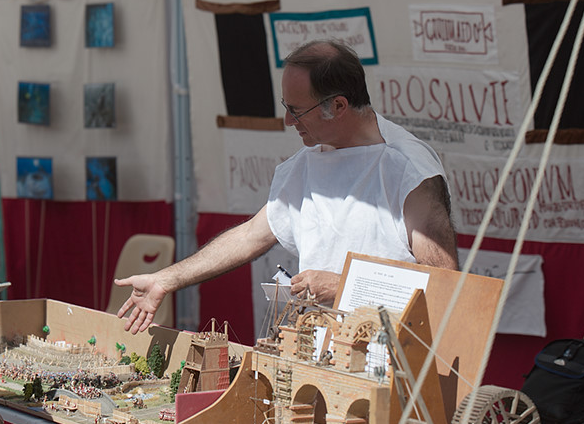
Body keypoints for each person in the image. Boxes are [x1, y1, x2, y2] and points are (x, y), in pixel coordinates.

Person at [116, 40, 458, 334]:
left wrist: (342, 285)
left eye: (297, 110)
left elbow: (445, 282)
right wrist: (166, 280)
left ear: (338, 106)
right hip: (317, 354)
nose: (288, 121)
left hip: (394, 363)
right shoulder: (305, 165)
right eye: (286, 107)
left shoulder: (408, 169)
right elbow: (250, 236)